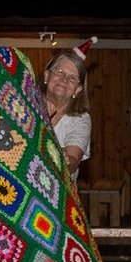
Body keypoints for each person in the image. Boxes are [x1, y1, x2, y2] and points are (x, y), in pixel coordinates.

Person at [42, 37, 96, 184]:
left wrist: (65, 160)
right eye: (59, 72)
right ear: (47, 76)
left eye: (72, 78)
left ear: (77, 90)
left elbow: (73, 160)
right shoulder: (23, 105)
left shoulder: (81, 119)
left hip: (59, 196)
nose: (64, 79)